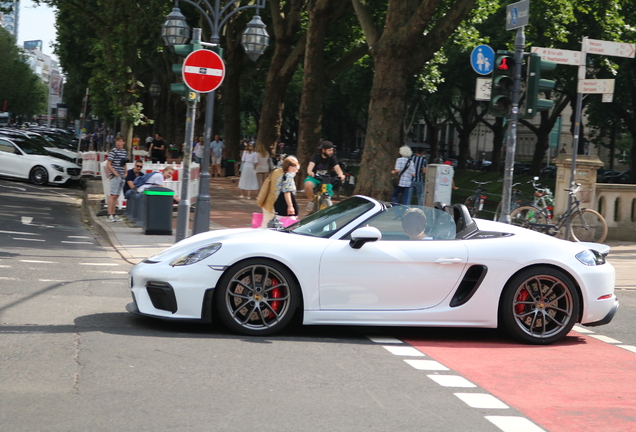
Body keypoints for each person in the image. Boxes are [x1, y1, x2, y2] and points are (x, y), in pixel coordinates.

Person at [303, 141, 345, 212]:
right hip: (315, 178)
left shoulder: (332, 158)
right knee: (308, 185)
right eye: (329, 150)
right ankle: (312, 201)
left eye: (332, 150)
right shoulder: (316, 156)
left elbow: (337, 168)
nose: (331, 152)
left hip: (326, 179)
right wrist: (310, 171)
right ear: (323, 150)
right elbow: (311, 165)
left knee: (327, 196)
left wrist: (340, 174)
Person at [105, 135, 128, 222]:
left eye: (120, 141)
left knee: (116, 196)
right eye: (117, 141)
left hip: (121, 175)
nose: (118, 143)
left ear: (123, 142)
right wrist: (115, 173)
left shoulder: (124, 152)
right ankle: (109, 214)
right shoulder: (113, 151)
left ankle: (113, 214)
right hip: (116, 176)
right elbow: (108, 164)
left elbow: (124, 163)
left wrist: (126, 172)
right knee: (112, 195)